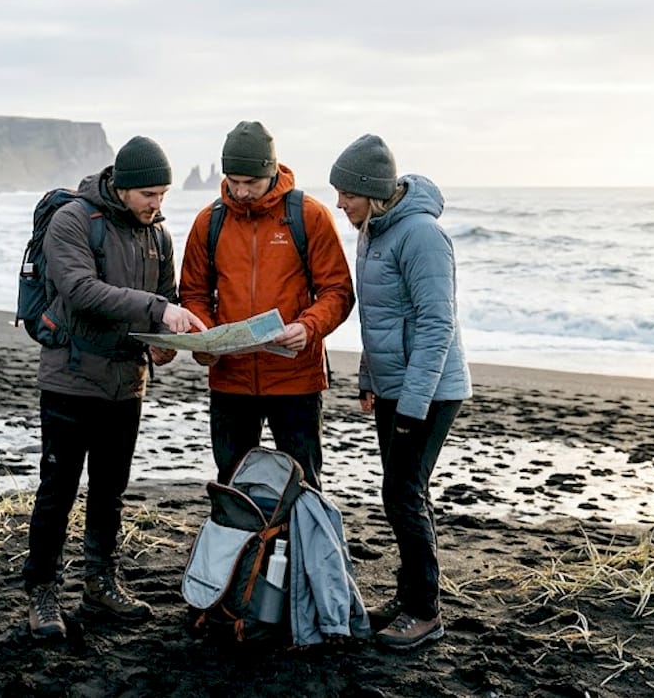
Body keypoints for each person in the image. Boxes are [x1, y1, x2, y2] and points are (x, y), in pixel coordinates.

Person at [23, 136, 207, 640]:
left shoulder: (159, 236)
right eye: (149, 194)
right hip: (70, 379)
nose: (157, 204)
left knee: (110, 491)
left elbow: (164, 299)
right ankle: (42, 591)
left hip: (127, 385)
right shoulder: (74, 221)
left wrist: (165, 341)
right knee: (57, 491)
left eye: (164, 195)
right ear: (123, 187)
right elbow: (79, 291)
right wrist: (157, 311)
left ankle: (100, 583)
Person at [329, 133, 472, 650]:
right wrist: (371, 377)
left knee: (402, 493)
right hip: (395, 385)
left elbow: (437, 326)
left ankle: (424, 611)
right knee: (402, 493)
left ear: (370, 189)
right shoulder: (373, 231)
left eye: (346, 193)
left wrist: (412, 405)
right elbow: (380, 318)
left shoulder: (422, 236)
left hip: (430, 389)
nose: (339, 203)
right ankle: (409, 596)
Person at [180, 121, 356, 489]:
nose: (241, 191)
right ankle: (243, 549)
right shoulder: (208, 222)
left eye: (251, 183)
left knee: (302, 487)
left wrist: (307, 327)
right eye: (233, 181)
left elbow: (338, 292)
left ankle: (297, 549)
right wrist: (204, 335)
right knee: (233, 486)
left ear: (272, 171)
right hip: (230, 380)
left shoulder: (309, 215)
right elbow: (194, 293)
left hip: (296, 381)